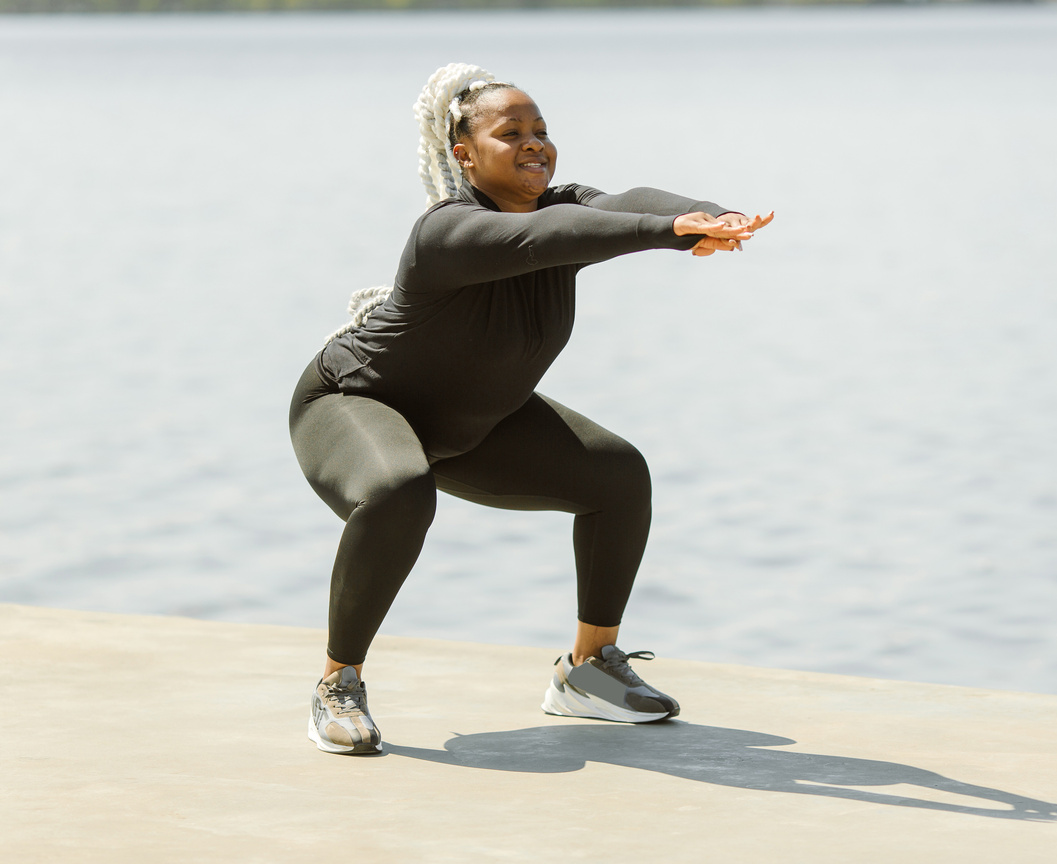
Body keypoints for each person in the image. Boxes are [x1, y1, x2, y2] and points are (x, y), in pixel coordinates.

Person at [289, 63, 772, 755]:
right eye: (509, 132)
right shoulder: (446, 233)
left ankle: (587, 671)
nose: (534, 144)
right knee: (399, 488)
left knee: (617, 476)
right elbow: (549, 241)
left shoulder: (561, 207)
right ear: (464, 153)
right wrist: (668, 231)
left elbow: (618, 202)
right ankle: (338, 684)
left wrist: (710, 214)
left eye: (541, 131)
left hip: (470, 422)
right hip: (355, 402)